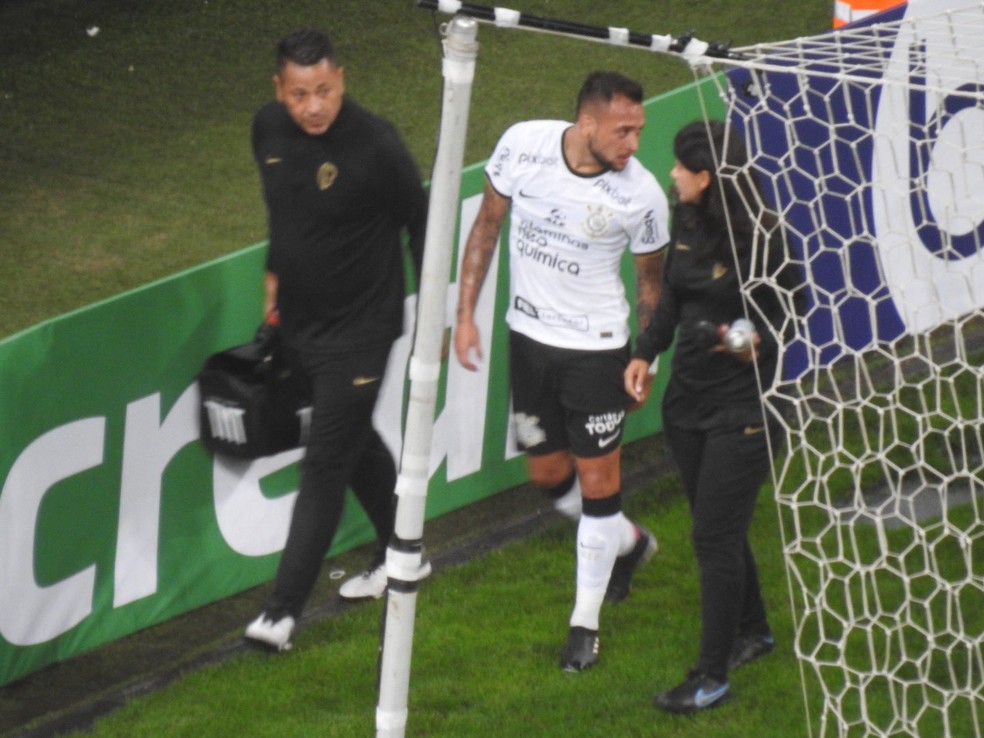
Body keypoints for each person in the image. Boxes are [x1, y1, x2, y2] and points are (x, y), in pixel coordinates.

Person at [454, 71, 670, 672]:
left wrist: (644, 354)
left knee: (601, 487)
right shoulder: (523, 145)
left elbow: (651, 281)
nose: (633, 143)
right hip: (528, 340)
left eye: (639, 130)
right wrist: (465, 315)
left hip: (597, 352)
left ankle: (584, 625)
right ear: (587, 124)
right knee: (547, 471)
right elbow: (487, 226)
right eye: (623, 130)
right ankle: (628, 545)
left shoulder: (642, 195)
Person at [244, 28, 430, 651]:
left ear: (342, 80)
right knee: (349, 440)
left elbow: (420, 219)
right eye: (300, 94)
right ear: (280, 90)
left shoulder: (376, 144)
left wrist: (432, 308)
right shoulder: (266, 129)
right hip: (298, 324)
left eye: (324, 90)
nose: (313, 105)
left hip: (362, 331)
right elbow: (285, 214)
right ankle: (403, 549)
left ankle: (281, 612)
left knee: (324, 460)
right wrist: (275, 273)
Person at [624, 120, 805, 712]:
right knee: (715, 523)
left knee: (712, 539)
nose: (672, 173)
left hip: (745, 409)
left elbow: (788, 321)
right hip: (687, 405)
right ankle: (754, 632)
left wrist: (733, 337)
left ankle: (710, 676)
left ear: (706, 177)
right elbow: (673, 294)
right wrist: (646, 352)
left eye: (681, 167)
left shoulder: (765, 239)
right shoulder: (689, 216)